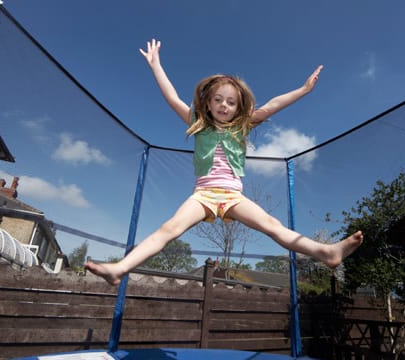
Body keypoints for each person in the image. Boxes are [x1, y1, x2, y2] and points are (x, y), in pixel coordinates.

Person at [85, 39, 363, 285]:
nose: (223, 105)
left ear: (238, 108)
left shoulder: (242, 127)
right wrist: (156, 65)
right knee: (169, 229)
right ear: (207, 103)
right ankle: (120, 268)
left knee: (272, 226)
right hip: (203, 195)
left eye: (230, 102)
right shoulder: (198, 124)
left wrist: (303, 90)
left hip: (233, 196)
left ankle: (327, 252)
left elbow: (273, 104)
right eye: (218, 100)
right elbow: (171, 97)